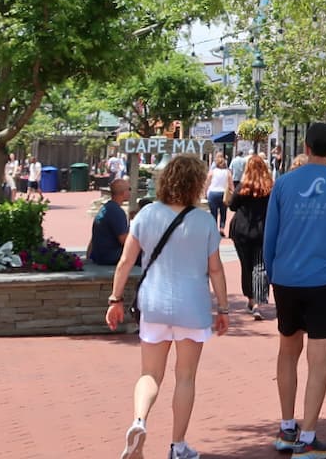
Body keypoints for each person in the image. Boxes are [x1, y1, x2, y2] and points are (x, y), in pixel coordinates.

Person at [106, 153, 229, 459]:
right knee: (185, 376)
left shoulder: (146, 215)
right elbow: (216, 269)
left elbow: (125, 262)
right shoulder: (203, 221)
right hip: (193, 305)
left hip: (154, 302)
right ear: (197, 183)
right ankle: (178, 445)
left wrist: (115, 298)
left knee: (150, 373)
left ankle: (139, 420)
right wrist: (224, 309)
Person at [263, 121, 326, 458]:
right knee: (319, 361)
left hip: (287, 279)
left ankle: (287, 427)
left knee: (288, 352)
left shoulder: (284, 184)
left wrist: (275, 275)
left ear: (305, 147)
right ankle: (308, 436)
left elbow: (269, 236)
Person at [228, 153, 272, 319]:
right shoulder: (269, 188)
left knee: (246, 266)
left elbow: (232, 206)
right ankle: (259, 303)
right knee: (260, 265)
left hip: (242, 231)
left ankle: (252, 300)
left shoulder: (242, 187)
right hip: (262, 231)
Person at [89, 178, 133, 266]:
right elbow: (124, 241)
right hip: (110, 256)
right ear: (123, 193)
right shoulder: (117, 212)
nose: (130, 192)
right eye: (129, 189)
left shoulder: (107, 208)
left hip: (99, 256)